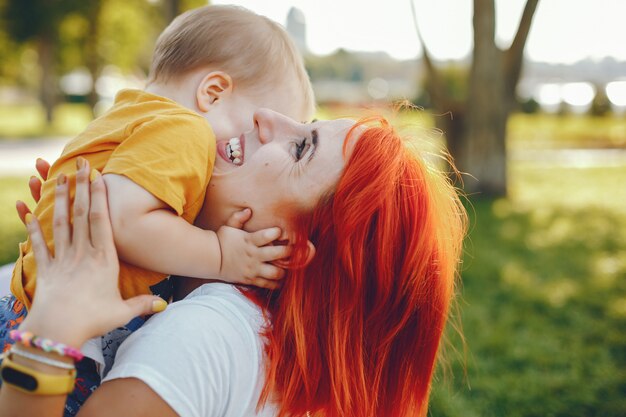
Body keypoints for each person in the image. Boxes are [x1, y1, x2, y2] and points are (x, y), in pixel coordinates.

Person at [0, 109, 467, 417]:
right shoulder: (277, 347)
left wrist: (53, 326)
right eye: (306, 122)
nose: (266, 117)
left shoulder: (203, 335)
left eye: (301, 147)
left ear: (289, 247)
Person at [0, 5, 314, 412]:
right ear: (213, 92)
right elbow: (126, 220)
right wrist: (221, 254)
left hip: (34, 309)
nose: (248, 141)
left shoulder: (128, 115)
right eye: (249, 129)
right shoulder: (185, 129)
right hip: (62, 331)